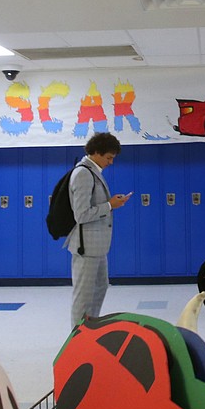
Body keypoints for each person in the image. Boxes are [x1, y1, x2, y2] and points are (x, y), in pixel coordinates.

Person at [67, 132, 130, 327]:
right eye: (108, 157)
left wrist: (111, 203)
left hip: (98, 247)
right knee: (84, 295)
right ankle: (77, 338)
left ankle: (90, 328)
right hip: (87, 247)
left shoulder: (92, 173)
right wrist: (110, 206)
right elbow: (82, 214)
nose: (111, 162)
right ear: (96, 152)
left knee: (100, 287)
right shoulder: (83, 174)